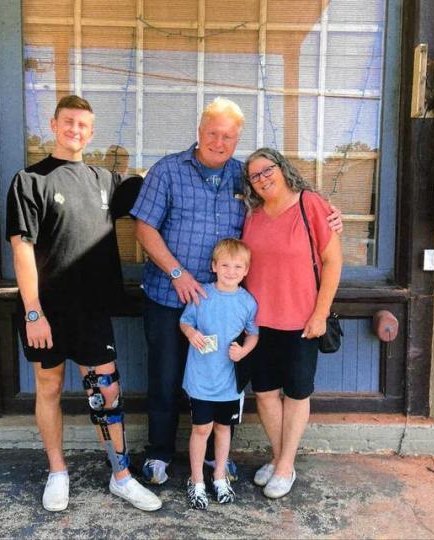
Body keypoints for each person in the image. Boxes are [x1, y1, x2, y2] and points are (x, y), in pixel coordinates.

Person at [130, 97, 344, 486]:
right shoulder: (167, 170)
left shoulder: (240, 178)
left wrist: (330, 212)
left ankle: (218, 459)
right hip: (169, 294)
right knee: (164, 376)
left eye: (228, 136)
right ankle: (159, 453)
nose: (219, 141)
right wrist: (177, 272)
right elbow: (143, 228)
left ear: (237, 139)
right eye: (212, 132)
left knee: (222, 378)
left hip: (227, 304)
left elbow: (291, 203)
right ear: (199, 132)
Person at [5, 95, 160, 512]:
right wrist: (33, 311)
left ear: (91, 133)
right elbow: (21, 250)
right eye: (69, 122)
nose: (76, 130)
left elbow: (155, 191)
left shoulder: (104, 180)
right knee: (49, 387)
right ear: (54, 125)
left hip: (92, 310)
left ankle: (121, 475)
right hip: (46, 311)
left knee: (105, 393)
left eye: (84, 125)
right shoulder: (29, 181)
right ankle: (57, 472)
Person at [239, 147, 343, 499]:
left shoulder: (309, 204)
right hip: (259, 322)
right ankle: (279, 457)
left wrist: (321, 312)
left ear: (282, 169)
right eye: (254, 176)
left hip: (302, 320)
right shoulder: (252, 215)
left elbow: (332, 262)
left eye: (267, 170)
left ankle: (285, 466)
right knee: (265, 393)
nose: (262, 178)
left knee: (296, 393)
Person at [178, 238, 259, 509]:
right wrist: (191, 334)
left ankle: (219, 476)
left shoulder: (248, 302)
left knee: (224, 428)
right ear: (214, 266)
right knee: (201, 428)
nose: (231, 271)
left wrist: (244, 351)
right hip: (202, 379)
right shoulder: (202, 295)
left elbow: (254, 334)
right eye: (225, 265)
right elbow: (185, 321)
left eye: (238, 266)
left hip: (229, 383)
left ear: (246, 270)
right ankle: (197, 480)